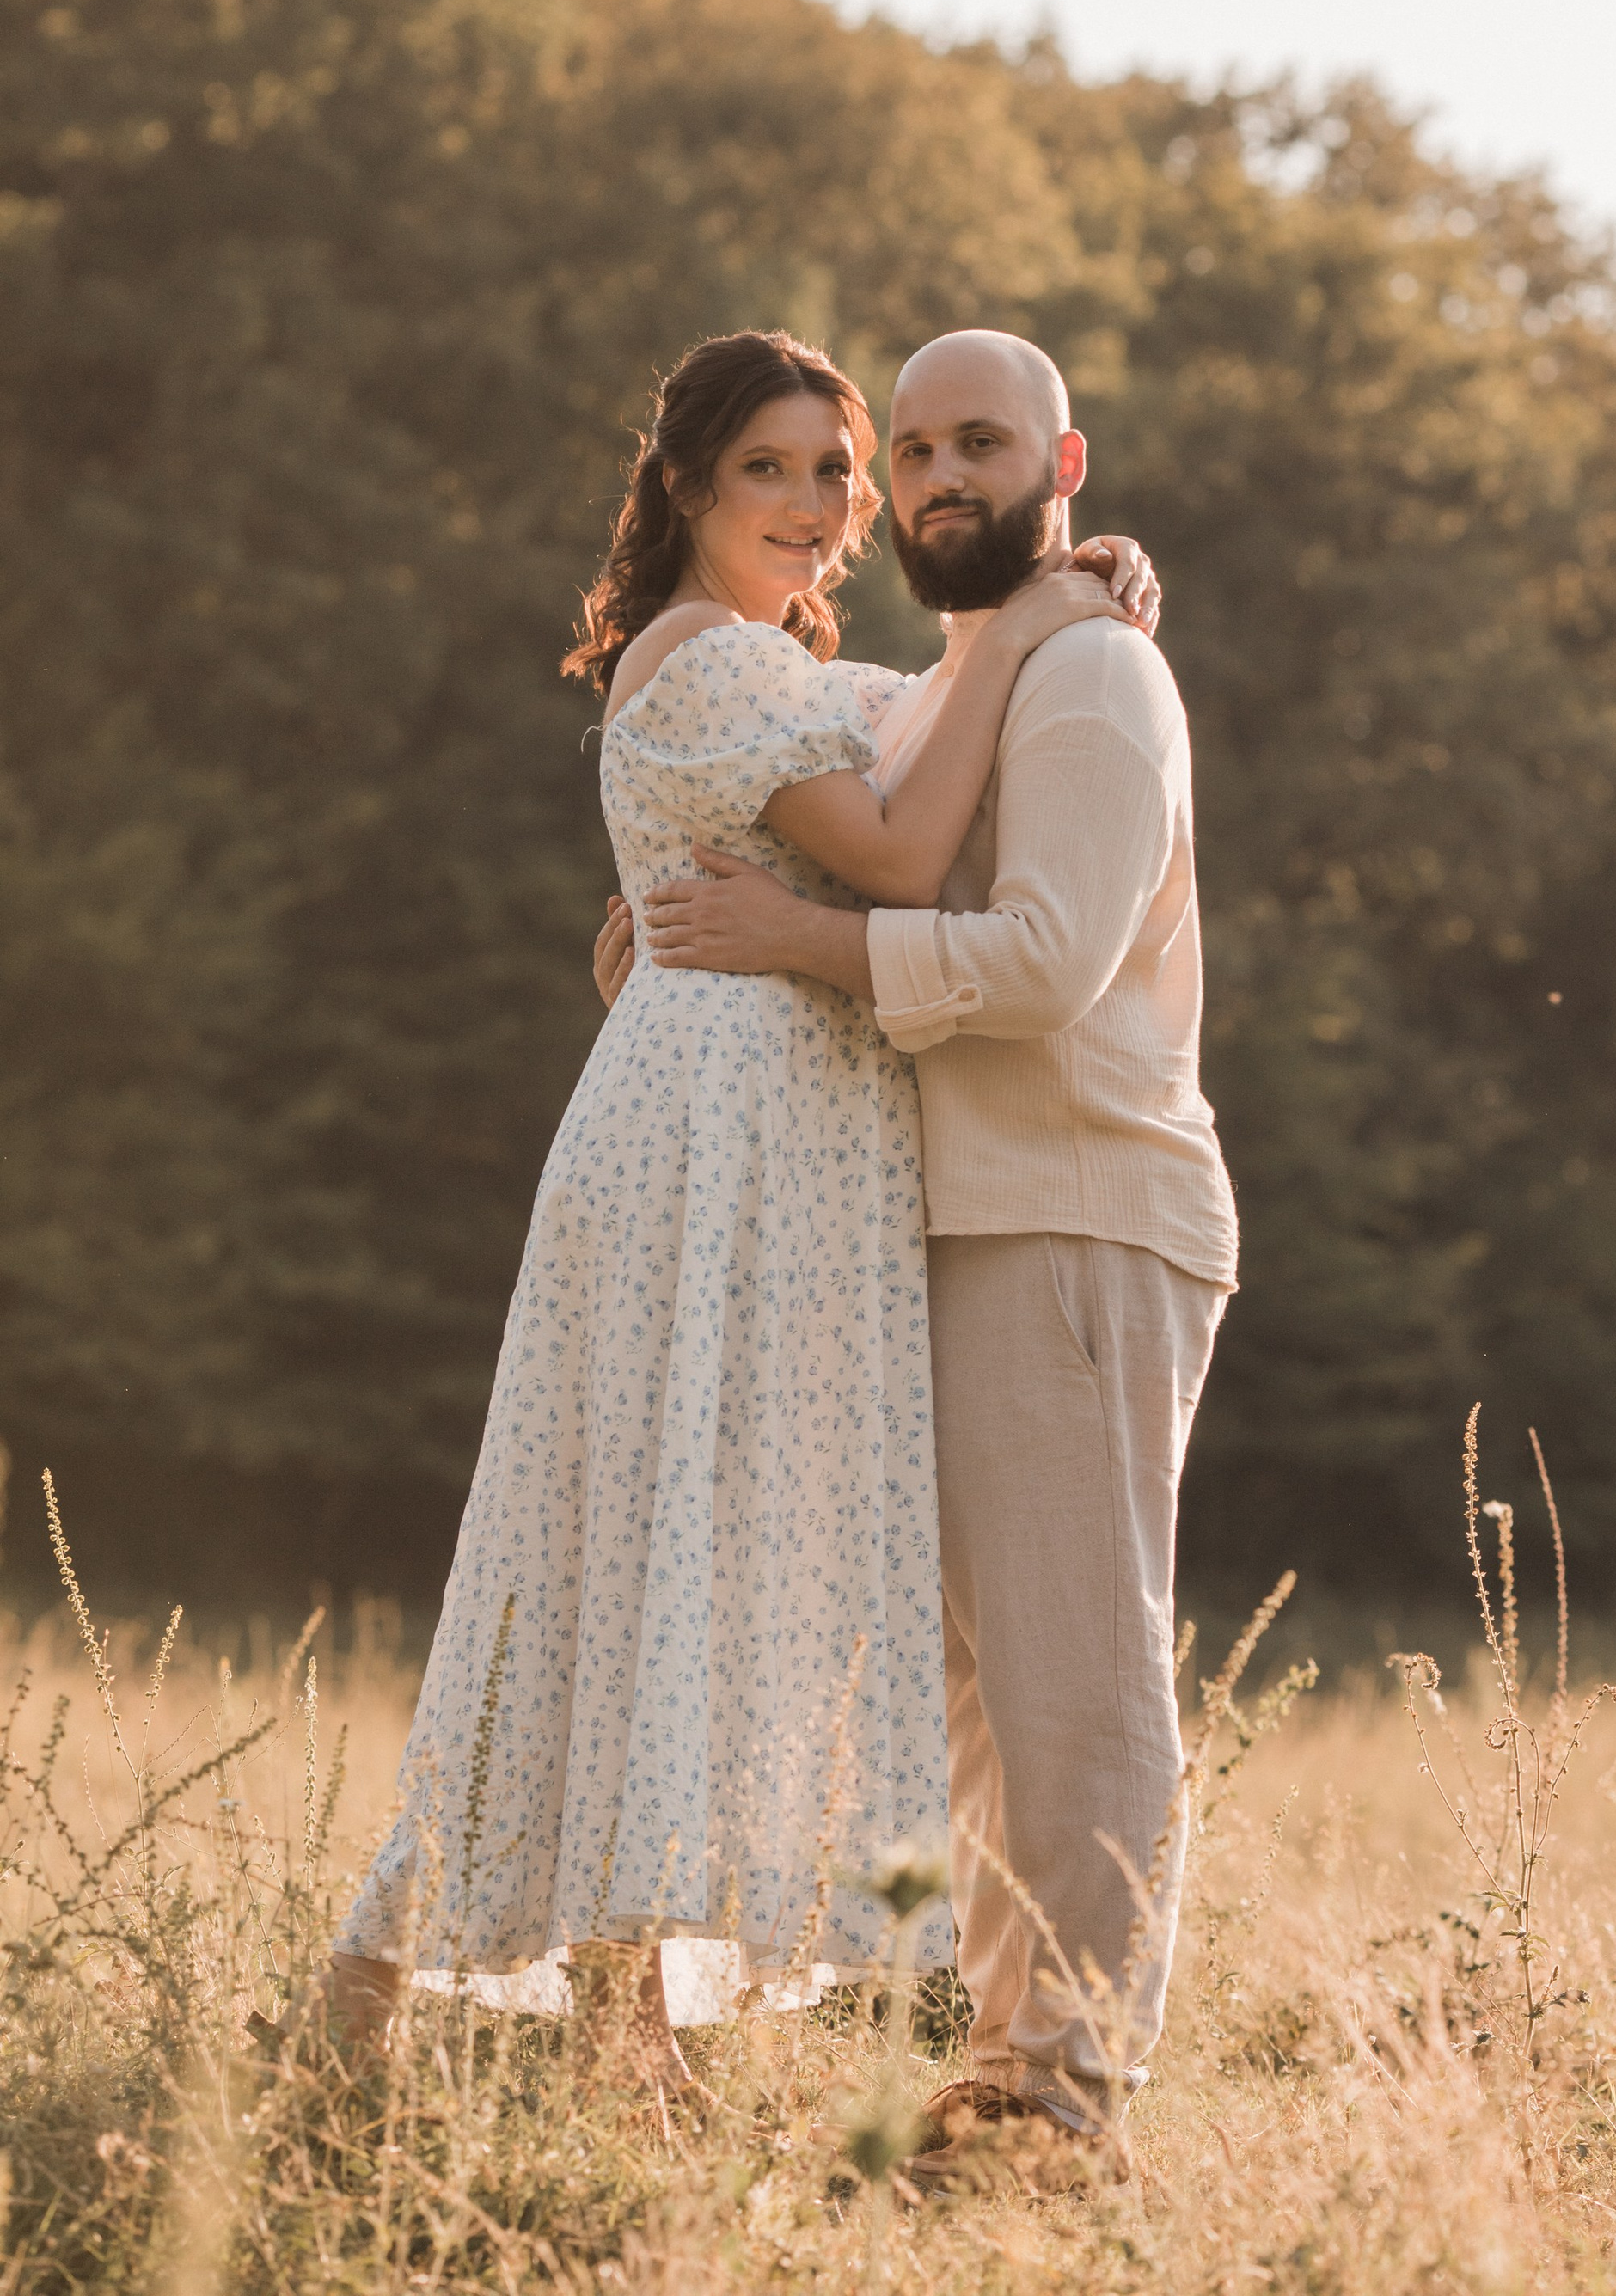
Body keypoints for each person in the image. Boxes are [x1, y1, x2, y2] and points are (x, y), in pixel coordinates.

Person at [324, 329, 1153, 2091]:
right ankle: (381, 1999)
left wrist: (1080, 581)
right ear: (690, 487)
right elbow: (909, 854)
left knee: (698, 1567)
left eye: (833, 470)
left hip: (791, 1149)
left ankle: (638, 2043)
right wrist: (1033, 620)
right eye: (768, 468)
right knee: (637, 1548)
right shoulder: (707, 661)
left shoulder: (800, 673)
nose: (813, 503)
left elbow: (912, 743)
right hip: (710, 1151)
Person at [600, 329, 1236, 2169]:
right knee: (968, 1681)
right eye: (924, 449)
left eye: (985, 443)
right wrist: (660, 923)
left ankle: (1074, 2090)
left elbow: (1039, 963)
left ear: (1063, 463)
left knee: (1072, 1670)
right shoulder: (943, 677)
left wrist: (795, 949)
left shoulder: (1094, 673)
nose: (943, 476)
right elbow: (801, 819)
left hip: (1076, 1207)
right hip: (940, 1224)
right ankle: (1001, 2055)